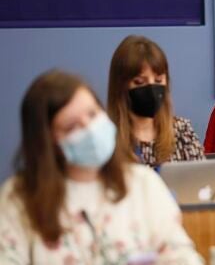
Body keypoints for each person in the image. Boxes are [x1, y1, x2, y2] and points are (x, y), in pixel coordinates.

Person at [0, 70, 203, 264]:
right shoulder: (19, 199)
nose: (89, 128)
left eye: (92, 114)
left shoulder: (142, 182)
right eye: (72, 126)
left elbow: (179, 254)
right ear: (46, 142)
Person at [108, 35, 204, 172]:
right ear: (120, 86)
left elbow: (204, 184)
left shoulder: (182, 130)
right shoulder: (106, 139)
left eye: (158, 80)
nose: (151, 88)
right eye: (140, 82)